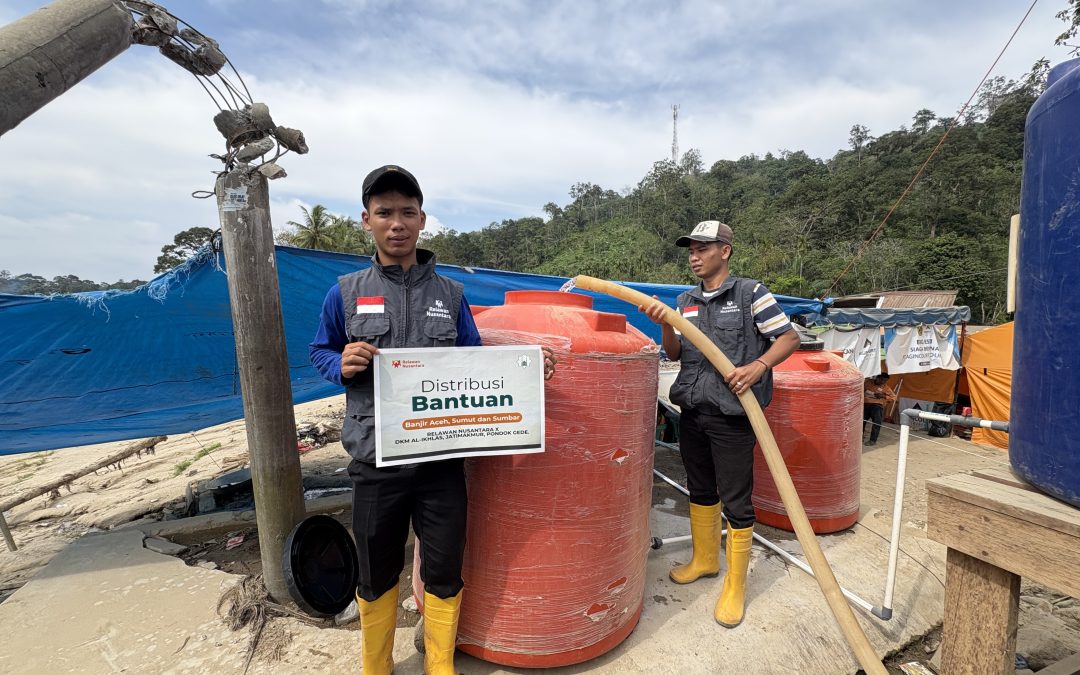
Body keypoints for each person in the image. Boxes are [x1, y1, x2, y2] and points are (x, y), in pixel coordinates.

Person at [309, 165, 555, 674]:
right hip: (375, 456)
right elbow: (319, 351)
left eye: (406, 212)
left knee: (444, 564)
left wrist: (524, 372)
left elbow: (475, 364)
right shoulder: (346, 292)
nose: (396, 223)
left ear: (422, 220)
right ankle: (376, 664)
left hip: (441, 460)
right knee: (376, 567)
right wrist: (340, 364)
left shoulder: (451, 295)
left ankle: (439, 663)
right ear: (366, 221)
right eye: (384, 213)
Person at [640, 220, 800, 629]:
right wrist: (664, 322)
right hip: (692, 410)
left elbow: (789, 338)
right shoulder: (685, 301)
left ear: (724, 251)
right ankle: (706, 559)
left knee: (736, 498)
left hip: (733, 415)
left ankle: (735, 583)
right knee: (701, 489)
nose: (694, 256)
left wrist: (758, 366)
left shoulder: (751, 294)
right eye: (690, 250)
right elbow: (674, 352)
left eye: (703, 248)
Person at [863, 374, 896, 446]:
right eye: (881, 379)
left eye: (885, 380)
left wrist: (883, 396)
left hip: (877, 406)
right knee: (861, 422)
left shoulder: (886, 388)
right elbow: (860, 389)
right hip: (865, 404)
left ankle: (872, 440)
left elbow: (893, 397)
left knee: (876, 423)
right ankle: (860, 437)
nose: (882, 382)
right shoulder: (868, 382)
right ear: (877, 378)